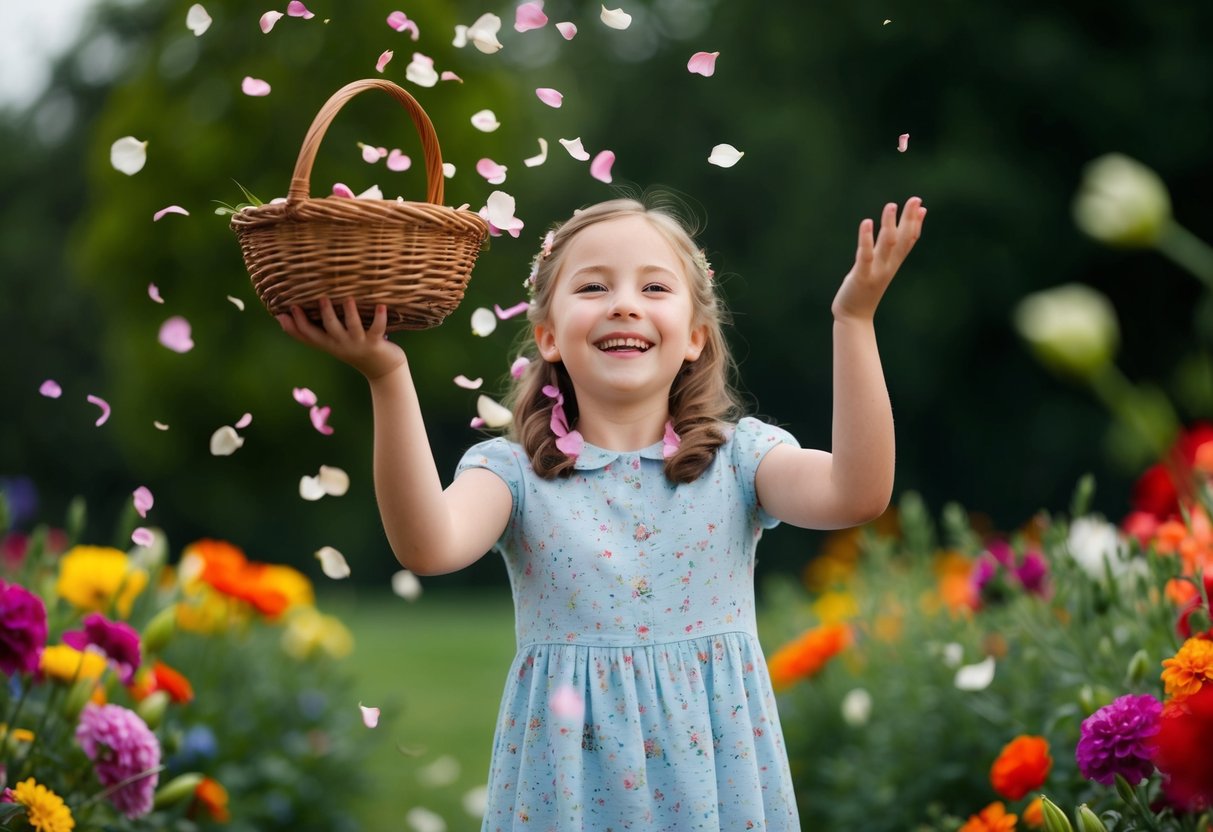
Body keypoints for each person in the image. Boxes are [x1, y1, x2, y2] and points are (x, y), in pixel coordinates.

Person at [278, 194, 927, 830]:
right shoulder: (514, 475)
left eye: (653, 288)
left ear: (696, 336)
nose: (623, 303)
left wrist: (854, 321)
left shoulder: (739, 462)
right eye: (593, 287)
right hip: (569, 798)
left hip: (714, 792)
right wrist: (388, 377)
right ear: (548, 336)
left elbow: (857, 494)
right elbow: (428, 546)